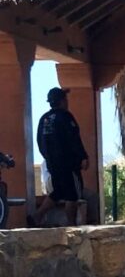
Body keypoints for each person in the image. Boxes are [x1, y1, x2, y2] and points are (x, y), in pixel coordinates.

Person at [36, 85, 89, 223]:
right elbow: (74, 138)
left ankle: (38, 216)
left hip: (52, 164)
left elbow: (40, 142)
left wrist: (48, 158)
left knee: (58, 191)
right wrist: (82, 157)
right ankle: (71, 225)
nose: (67, 101)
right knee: (73, 194)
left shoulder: (44, 119)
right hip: (68, 164)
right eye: (65, 98)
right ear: (61, 101)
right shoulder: (65, 117)